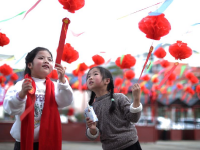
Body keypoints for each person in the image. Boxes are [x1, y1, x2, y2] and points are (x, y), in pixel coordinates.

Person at [3, 47, 74, 150]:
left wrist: (62, 81)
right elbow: (10, 109)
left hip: (48, 140)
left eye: (49, 59)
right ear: (30, 65)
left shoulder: (56, 86)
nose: (46, 61)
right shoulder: (20, 85)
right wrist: (21, 94)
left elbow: (65, 101)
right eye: (41, 58)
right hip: (24, 142)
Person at [85, 66, 142, 150]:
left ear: (107, 81)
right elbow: (92, 136)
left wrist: (136, 99)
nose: (90, 78)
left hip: (130, 145)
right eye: (88, 76)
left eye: (95, 74)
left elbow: (134, 119)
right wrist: (92, 129)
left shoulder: (119, 98)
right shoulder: (91, 108)